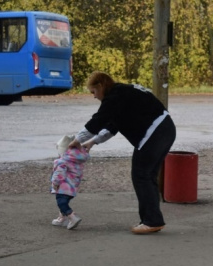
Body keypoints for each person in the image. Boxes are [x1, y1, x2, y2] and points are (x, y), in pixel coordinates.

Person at [69, 71, 176, 234]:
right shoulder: (122, 94)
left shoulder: (115, 96)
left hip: (154, 133)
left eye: (93, 92)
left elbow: (98, 119)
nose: (94, 97)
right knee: (147, 175)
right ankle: (153, 219)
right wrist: (92, 141)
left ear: (100, 86)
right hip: (165, 129)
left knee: (141, 175)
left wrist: (77, 140)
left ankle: (151, 221)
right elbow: (113, 125)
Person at [51, 135, 89, 230]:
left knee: (61, 202)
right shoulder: (77, 160)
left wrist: (55, 183)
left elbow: (59, 173)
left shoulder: (62, 161)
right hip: (73, 186)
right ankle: (62, 218)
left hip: (63, 186)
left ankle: (72, 217)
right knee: (64, 201)